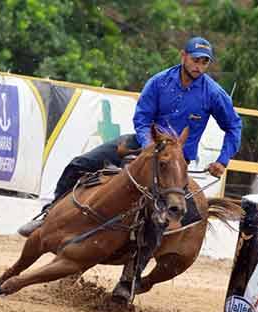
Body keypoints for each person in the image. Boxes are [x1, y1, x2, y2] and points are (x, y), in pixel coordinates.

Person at [18, 36, 243, 236]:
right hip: (141, 144)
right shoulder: (159, 82)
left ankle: (136, 267)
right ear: (183, 56)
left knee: (172, 215)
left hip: (175, 160)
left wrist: (222, 161)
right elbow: (142, 119)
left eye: (205, 62)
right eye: (195, 59)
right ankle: (48, 215)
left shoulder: (213, 93)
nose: (199, 66)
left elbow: (234, 126)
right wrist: (147, 145)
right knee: (80, 164)